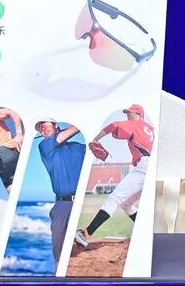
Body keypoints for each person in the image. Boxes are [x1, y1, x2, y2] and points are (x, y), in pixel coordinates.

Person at [79, 103, 154, 242]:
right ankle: (147, 234)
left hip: (144, 167)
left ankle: (86, 233)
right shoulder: (151, 129)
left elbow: (113, 126)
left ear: (139, 114)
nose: (128, 115)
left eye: (130, 112)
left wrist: (95, 139)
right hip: (152, 167)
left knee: (114, 198)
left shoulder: (134, 124)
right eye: (127, 113)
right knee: (127, 204)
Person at [32, 119, 86, 263]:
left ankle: (78, 237)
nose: (43, 130)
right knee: (60, 257)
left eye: (45, 125)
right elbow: (75, 129)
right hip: (63, 205)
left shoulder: (79, 147)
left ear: (56, 125)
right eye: (40, 129)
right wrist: (71, 128)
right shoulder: (44, 146)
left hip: (82, 202)